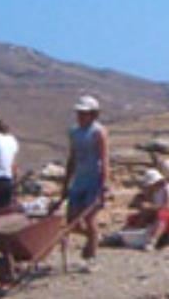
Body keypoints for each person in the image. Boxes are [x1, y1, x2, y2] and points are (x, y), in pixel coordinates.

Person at [62, 95, 110, 271]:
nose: (80, 116)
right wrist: (66, 182)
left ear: (92, 114)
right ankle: (93, 238)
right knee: (72, 220)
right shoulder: (74, 132)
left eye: (84, 113)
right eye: (79, 113)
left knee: (89, 218)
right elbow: (72, 158)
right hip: (79, 180)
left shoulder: (98, 132)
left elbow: (104, 158)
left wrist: (104, 184)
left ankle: (93, 254)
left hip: (94, 179)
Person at [125, 169, 169, 251]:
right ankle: (124, 235)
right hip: (166, 223)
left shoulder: (167, 189)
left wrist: (150, 207)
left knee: (162, 214)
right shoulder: (154, 193)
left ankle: (152, 241)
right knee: (138, 216)